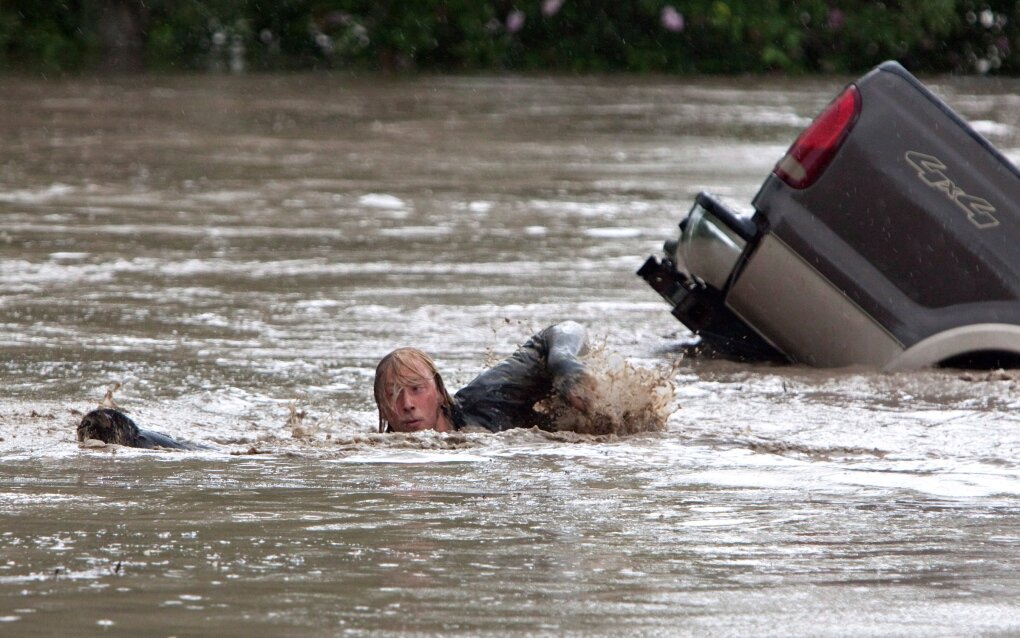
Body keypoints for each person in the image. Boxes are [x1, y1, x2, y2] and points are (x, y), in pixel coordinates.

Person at [374, 321, 594, 433]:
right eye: (392, 395)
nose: (407, 404)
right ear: (383, 408)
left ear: (441, 393)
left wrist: (563, 362)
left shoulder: (486, 396)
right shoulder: (378, 451)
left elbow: (566, 330)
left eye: (416, 388)